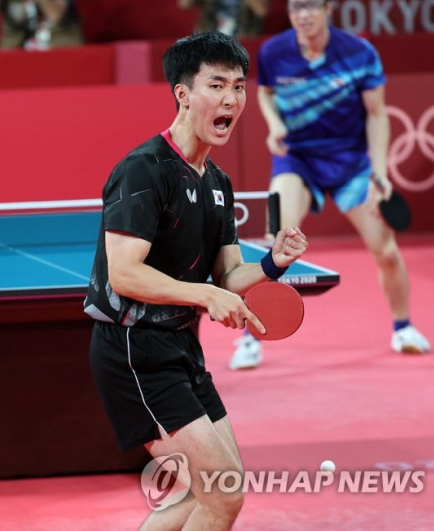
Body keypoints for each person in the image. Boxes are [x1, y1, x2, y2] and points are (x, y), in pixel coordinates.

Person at [84, 31, 308, 529]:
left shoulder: (217, 183)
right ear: (183, 94)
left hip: (181, 347)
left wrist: (273, 262)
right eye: (217, 86)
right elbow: (123, 273)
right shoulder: (145, 170)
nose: (231, 99)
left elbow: (228, 275)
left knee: (214, 492)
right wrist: (204, 295)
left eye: (239, 87)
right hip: (133, 350)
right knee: (223, 494)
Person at [229, 0, 431, 370]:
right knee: (274, 243)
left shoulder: (359, 53)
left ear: (329, 8)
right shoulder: (273, 52)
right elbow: (265, 94)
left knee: (386, 250)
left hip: (350, 162)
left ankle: (403, 326)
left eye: (311, 6)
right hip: (297, 159)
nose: (303, 14)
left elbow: (377, 116)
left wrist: (380, 172)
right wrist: (274, 124)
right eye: (295, 7)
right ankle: (250, 337)